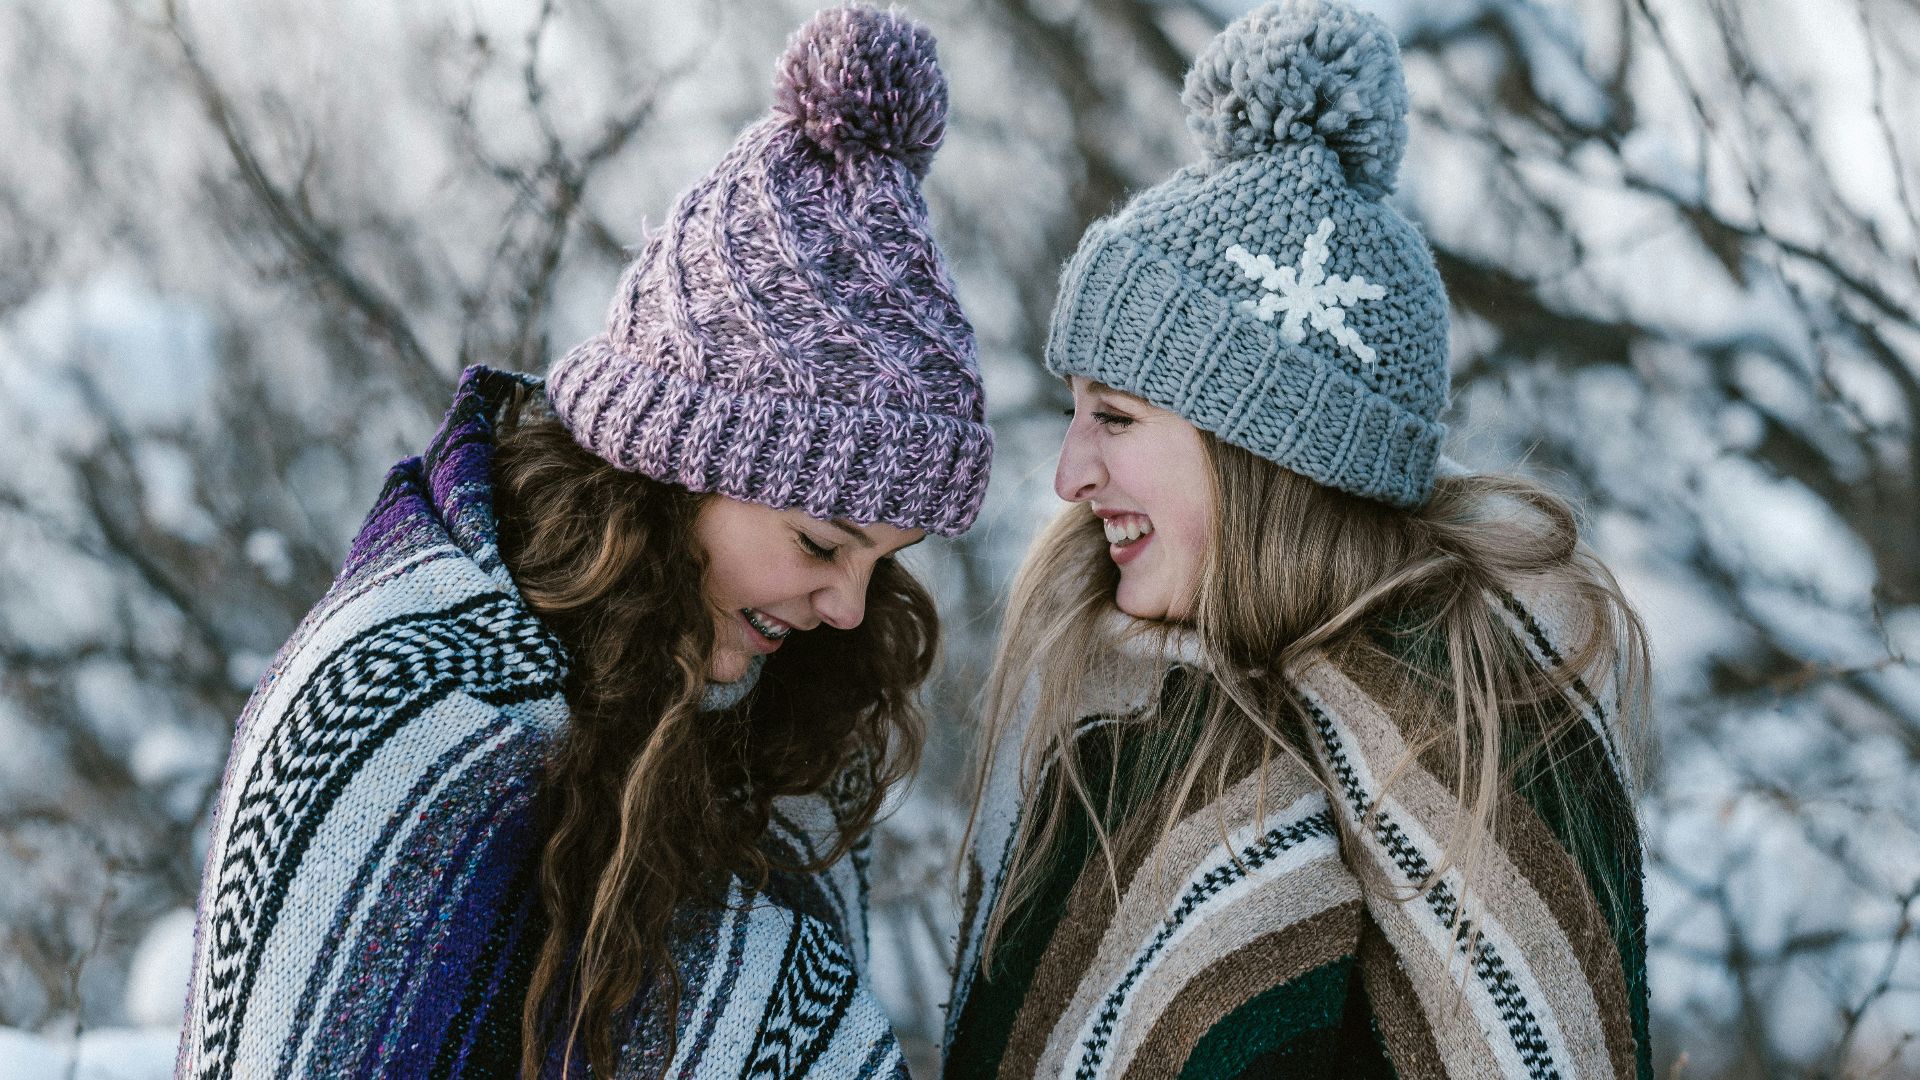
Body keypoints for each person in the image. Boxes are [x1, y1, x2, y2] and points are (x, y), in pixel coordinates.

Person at [177, 6, 991, 1078]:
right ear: (675, 475)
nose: (848, 605)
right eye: (822, 543)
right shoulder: (396, 708)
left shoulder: (778, 727)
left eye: (883, 562)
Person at [944, 1, 1652, 1076]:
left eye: (1118, 418)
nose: (1069, 473)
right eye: (1074, 411)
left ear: (1264, 453)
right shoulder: (1104, 717)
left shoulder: (1497, 736)